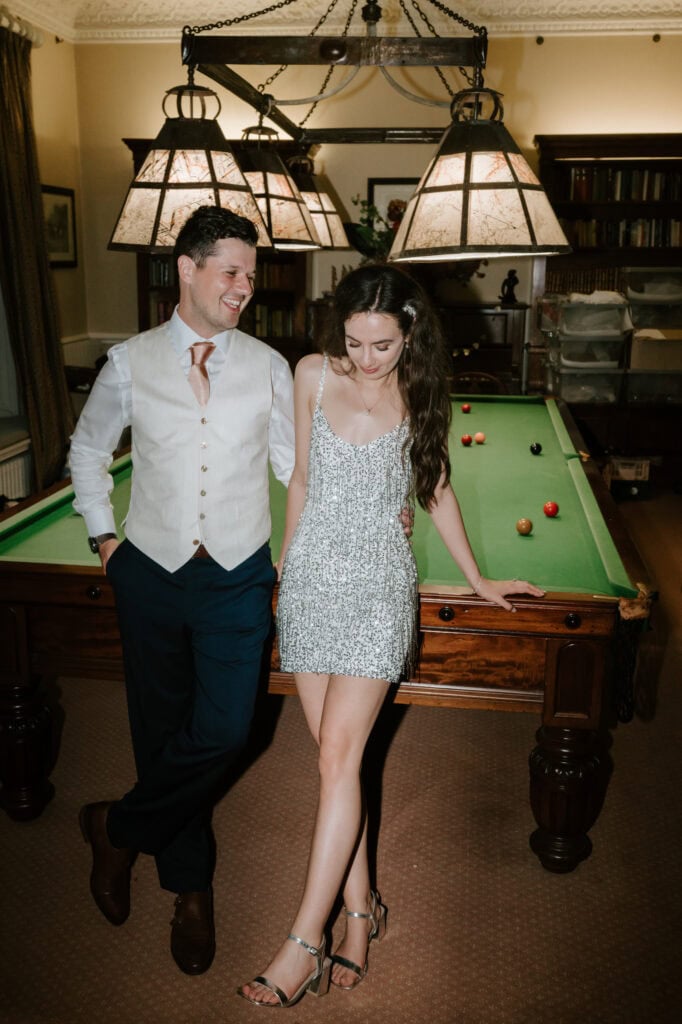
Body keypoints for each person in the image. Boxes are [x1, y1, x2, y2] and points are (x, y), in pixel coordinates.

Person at [238, 263, 544, 1008]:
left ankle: (301, 943)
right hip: (311, 582)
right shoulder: (311, 373)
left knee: (340, 757)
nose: (367, 359)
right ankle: (361, 912)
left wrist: (476, 577)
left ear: (409, 333)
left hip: (379, 583)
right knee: (335, 766)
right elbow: (303, 478)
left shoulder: (422, 390)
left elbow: (433, 488)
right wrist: (284, 561)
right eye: (354, 342)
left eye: (383, 344)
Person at [69, 205, 296, 975]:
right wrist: (105, 539)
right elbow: (89, 449)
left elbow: (296, 473)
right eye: (231, 272)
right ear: (187, 270)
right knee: (161, 734)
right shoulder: (130, 361)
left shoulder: (270, 365)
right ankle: (189, 889)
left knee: (230, 730)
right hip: (151, 574)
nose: (244, 288)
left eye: (251, 276)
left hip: (238, 574)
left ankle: (118, 827)